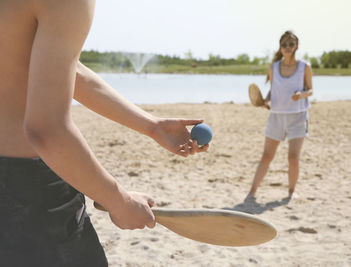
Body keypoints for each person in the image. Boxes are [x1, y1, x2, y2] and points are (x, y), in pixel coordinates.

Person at [0, 0, 208, 266]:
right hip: (27, 196)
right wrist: (119, 201)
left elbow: (62, 65)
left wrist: (152, 125)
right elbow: (46, 131)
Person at [248, 31, 313, 199]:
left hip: (298, 116)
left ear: (296, 46)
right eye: (284, 45)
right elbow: (273, 89)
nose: (287, 47)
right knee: (267, 156)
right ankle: (252, 192)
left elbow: (310, 90)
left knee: (293, 158)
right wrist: (266, 101)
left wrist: (301, 95)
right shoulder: (274, 67)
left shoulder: (304, 67)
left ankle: (291, 193)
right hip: (276, 116)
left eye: (291, 44)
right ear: (280, 47)